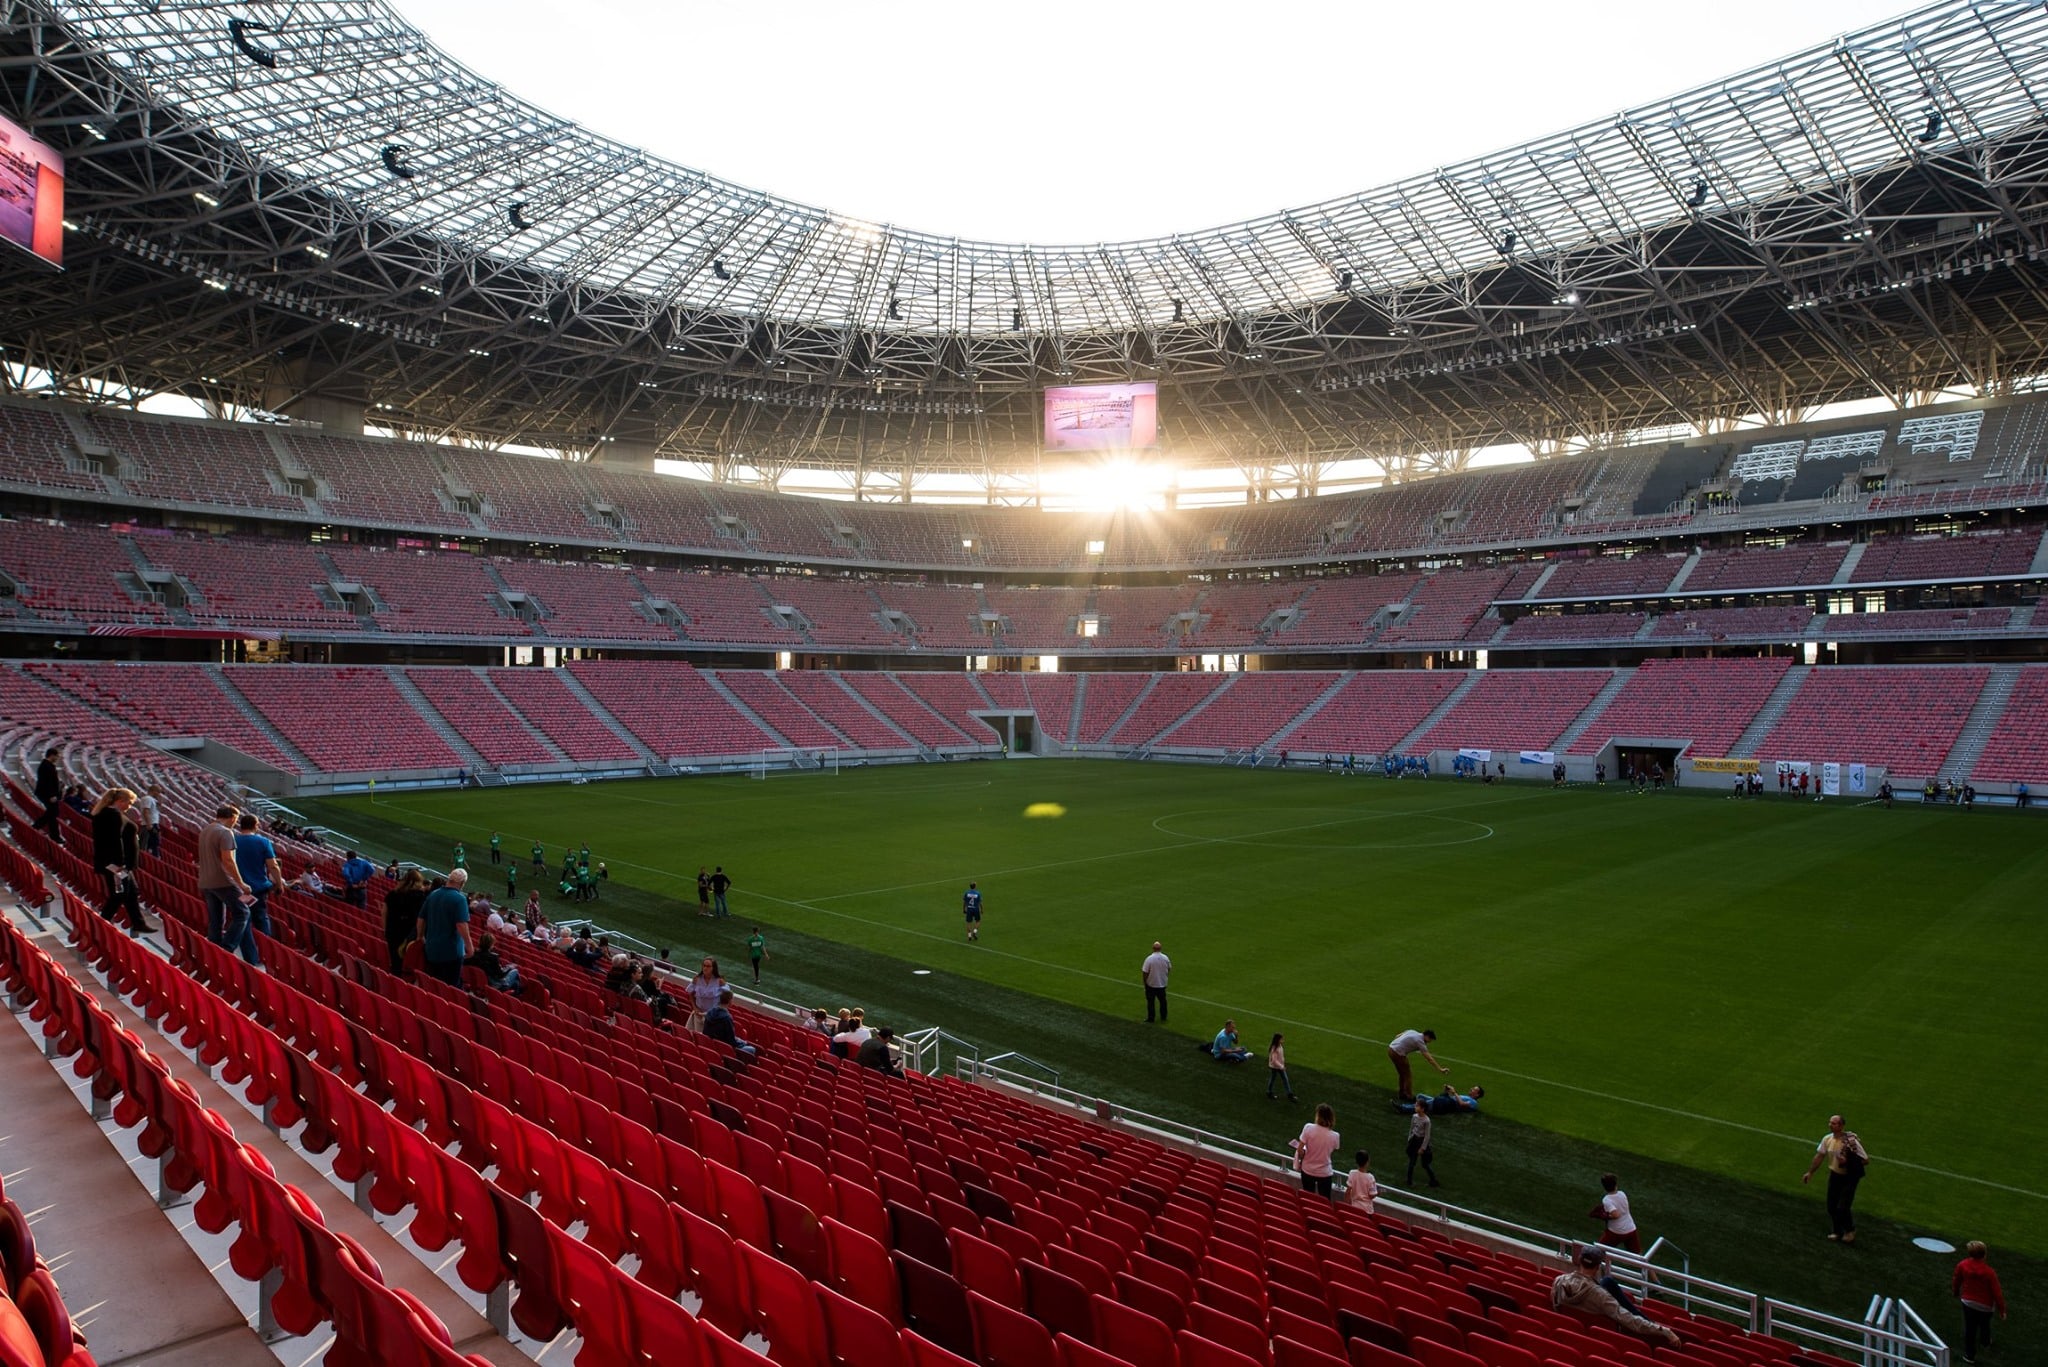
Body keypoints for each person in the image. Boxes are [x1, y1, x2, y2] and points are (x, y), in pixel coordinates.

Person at [1551, 1247, 1681, 1346]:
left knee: (1608, 1282)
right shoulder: (1601, 1296)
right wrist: (1663, 1330)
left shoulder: (1558, 1281)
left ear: (1580, 1262)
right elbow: (1629, 1319)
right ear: (1597, 1267)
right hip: (1599, 1339)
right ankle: (1649, 1321)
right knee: (1609, 1283)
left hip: (1572, 1332)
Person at [90, 788, 154, 934]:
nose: (129, 806)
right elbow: (115, 842)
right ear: (120, 801)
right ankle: (100, 924)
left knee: (131, 892)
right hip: (117, 866)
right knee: (119, 894)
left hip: (117, 864)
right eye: (128, 803)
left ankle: (138, 923)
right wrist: (121, 865)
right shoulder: (112, 816)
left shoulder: (107, 814)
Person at [1802, 1113, 1870, 1243]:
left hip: (1849, 1178)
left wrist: (1847, 1161)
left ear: (1841, 1126)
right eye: (1830, 1122)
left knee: (1843, 1207)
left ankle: (1850, 1230)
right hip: (1835, 1175)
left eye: (1833, 1123)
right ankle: (1837, 1231)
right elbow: (1819, 1156)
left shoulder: (1851, 1142)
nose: (1830, 1125)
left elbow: (1865, 1160)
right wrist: (1810, 1172)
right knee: (1831, 1206)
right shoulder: (1827, 1139)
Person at [197, 804, 254, 950]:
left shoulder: (206, 830)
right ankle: (226, 949)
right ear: (233, 817)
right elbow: (228, 860)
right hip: (223, 881)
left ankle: (215, 949)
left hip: (206, 880)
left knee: (216, 919)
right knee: (242, 913)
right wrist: (241, 883)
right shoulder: (226, 833)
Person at [232, 813, 281, 967]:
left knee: (244, 921)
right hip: (258, 888)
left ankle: (250, 957)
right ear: (255, 825)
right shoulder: (263, 842)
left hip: (238, 887)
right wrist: (279, 884)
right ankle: (267, 953)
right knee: (261, 919)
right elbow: (272, 866)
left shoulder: (233, 841)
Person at [1952, 1241, 2007, 1363]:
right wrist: (2002, 1310)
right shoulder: (1989, 1272)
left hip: (1968, 1302)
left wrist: (1955, 1292)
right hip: (1985, 1306)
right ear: (1984, 1255)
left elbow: (1956, 1279)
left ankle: (1969, 1356)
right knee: (1985, 1324)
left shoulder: (1963, 1265)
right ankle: (1985, 1342)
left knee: (1970, 1328)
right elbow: (1997, 1293)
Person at [417, 867, 472, 986]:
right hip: (451, 952)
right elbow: (461, 924)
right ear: (462, 883)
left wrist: (420, 936)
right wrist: (470, 946)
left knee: (433, 983)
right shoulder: (460, 899)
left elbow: (421, 919)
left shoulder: (433, 894)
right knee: (450, 986)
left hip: (431, 948)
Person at [384, 868, 429, 974]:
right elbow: (422, 918)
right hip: (408, 935)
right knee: (407, 964)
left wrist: (385, 929)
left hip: (392, 930)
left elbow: (384, 912)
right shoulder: (419, 897)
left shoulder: (393, 893)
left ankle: (394, 981)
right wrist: (420, 936)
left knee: (395, 961)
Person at [1291, 1103, 1340, 1198]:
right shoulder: (1335, 1136)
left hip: (1308, 1169)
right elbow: (1333, 1149)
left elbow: (1300, 1149)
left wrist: (1302, 1158)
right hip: (1324, 1172)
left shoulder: (1308, 1128)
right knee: (1325, 1201)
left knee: (1308, 1199)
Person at [1387, 1028, 1448, 1101]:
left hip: (1391, 1049)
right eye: (1430, 1040)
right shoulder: (1420, 1041)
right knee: (1408, 1075)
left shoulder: (1412, 1031)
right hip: (1398, 1053)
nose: (1429, 1042)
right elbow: (1429, 1059)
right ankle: (1409, 1096)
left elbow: (1397, 1036)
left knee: (1402, 1074)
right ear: (1427, 1036)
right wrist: (1440, 1069)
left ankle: (1402, 1093)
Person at [1591, 1173, 1640, 1253]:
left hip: (1616, 1232)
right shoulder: (1622, 1194)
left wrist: (1606, 1216)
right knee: (1637, 1256)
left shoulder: (1607, 1200)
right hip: (1631, 1229)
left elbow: (1616, 1215)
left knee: (1598, 1252)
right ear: (1615, 1184)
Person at [703, 987, 757, 1058]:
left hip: (711, 1044)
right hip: (724, 1048)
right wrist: (743, 1043)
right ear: (730, 1001)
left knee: (741, 1041)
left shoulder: (710, 1011)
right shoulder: (726, 1018)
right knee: (752, 1049)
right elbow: (731, 1040)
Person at [32, 747, 64, 844]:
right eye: (57, 755)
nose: (58, 758)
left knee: (52, 814)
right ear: (52, 755)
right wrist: (52, 796)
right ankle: (36, 827)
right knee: (52, 813)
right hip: (48, 795)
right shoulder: (46, 766)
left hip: (49, 794)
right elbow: (47, 783)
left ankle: (54, 835)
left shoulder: (48, 765)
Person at [686, 958, 726, 1031]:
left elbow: (726, 997)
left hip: (713, 1016)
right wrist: (695, 1008)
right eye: (704, 965)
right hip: (698, 1014)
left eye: (708, 966)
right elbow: (691, 994)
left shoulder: (719, 981)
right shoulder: (697, 979)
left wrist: (718, 1010)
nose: (705, 968)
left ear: (713, 968)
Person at [1404, 1102, 1439, 1187]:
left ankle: (1433, 1180)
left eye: (1417, 1106)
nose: (1415, 1107)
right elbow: (1411, 1129)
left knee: (1425, 1164)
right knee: (1412, 1162)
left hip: (1421, 1141)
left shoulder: (1427, 1121)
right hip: (1414, 1140)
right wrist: (1409, 1138)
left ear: (1422, 1109)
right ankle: (1409, 1180)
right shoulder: (1414, 1116)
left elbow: (1427, 1136)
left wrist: (1422, 1148)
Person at [1397, 1085, 1485, 1115]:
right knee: (1420, 1096)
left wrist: (1454, 1092)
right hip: (1446, 1101)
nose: (1471, 1089)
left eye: (1474, 1089)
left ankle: (1404, 1108)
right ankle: (1418, 1108)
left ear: (1477, 1094)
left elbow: (1461, 1104)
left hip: (1447, 1104)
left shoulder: (1473, 1102)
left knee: (1425, 1103)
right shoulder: (1468, 1097)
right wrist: (1447, 1091)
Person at [1141, 941, 1172, 1022]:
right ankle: (1163, 1016)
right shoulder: (1165, 958)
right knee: (1163, 1001)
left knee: (1151, 1002)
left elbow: (1145, 972)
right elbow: (1169, 968)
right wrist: (1164, 977)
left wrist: (1145, 983)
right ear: (1160, 948)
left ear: (1153, 948)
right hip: (1162, 983)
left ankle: (1151, 1018)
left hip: (1151, 984)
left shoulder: (1149, 959)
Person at [1267, 1033, 1297, 1101]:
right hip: (1275, 1067)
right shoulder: (1275, 1048)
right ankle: (1270, 1092)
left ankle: (1289, 1094)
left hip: (1279, 1066)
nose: (1283, 1040)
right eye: (1281, 1039)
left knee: (1283, 1079)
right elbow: (1274, 1060)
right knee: (1276, 1079)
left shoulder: (1279, 1046)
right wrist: (1281, 1066)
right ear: (1278, 1040)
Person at [133, 784, 161, 857]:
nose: (159, 794)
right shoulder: (147, 799)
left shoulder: (151, 799)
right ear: (153, 791)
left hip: (151, 823)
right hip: (149, 824)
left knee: (154, 843)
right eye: (158, 792)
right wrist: (149, 824)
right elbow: (146, 811)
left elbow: (158, 805)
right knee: (150, 843)